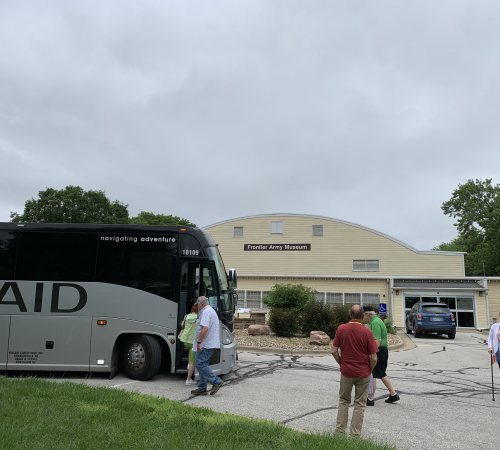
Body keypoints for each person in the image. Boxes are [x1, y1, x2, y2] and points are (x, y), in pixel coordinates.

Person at [331, 305, 378, 437]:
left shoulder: (341, 329)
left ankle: (340, 431)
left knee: (344, 400)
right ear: (363, 316)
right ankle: (355, 435)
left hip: (346, 371)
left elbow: (333, 350)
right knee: (360, 404)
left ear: (350, 315)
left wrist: (341, 363)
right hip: (363, 372)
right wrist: (370, 369)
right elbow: (374, 357)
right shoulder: (367, 332)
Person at [363, 306, 400, 405]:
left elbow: (377, 340)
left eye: (363, 314)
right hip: (382, 350)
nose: (362, 317)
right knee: (381, 373)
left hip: (379, 350)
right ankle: (393, 394)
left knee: (374, 373)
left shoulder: (375, 323)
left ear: (368, 314)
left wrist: (372, 354)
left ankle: (370, 399)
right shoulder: (376, 321)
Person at [190, 296, 224, 396]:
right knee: (203, 364)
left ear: (201, 303)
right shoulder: (211, 311)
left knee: (200, 364)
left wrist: (199, 342)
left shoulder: (205, 312)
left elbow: (205, 328)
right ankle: (202, 387)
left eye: (197, 305)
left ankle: (216, 381)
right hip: (210, 343)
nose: (197, 307)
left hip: (206, 344)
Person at [179, 304, 198, 385]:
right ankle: (188, 379)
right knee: (193, 362)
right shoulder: (198, 318)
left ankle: (188, 365)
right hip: (193, 340)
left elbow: (182, 325)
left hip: (185, 340)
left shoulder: (186, 316)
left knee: (189, 350)